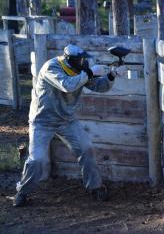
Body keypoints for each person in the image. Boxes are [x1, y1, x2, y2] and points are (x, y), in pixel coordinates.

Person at [13, 44, 126, 207]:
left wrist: (112, 75)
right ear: (70, 60)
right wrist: (90, 72)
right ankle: (22, 191)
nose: (83, 62)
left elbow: (98, 86)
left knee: (86, 149)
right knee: (37, 160)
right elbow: (67, 85)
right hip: (42, 121)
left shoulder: (80, 70)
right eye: (80, 60)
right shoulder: (51, 67)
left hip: (67, 120)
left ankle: (95, 187)